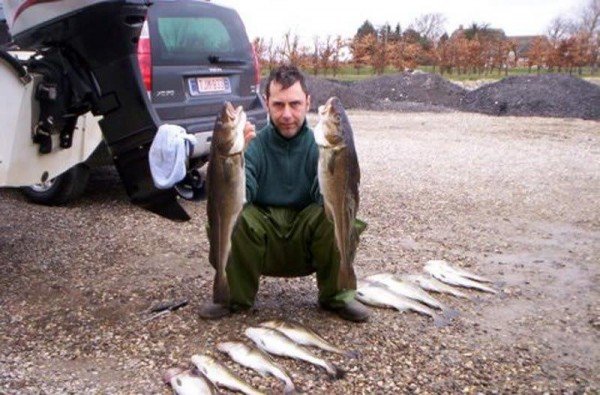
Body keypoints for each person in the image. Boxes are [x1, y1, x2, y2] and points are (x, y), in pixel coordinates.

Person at [201, 64, 370, 322]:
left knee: (333, 213)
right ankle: (232, 296)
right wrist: (239, 159)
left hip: (306, 241)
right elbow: (239, 196)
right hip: (264, 239)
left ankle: (338, 294)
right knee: (237, 216)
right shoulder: (254, 144)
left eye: (295, 104)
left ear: (308, 103)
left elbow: (327, 196)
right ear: (267, 103)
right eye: (279, 105)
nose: (287, 114)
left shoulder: (320, 145)